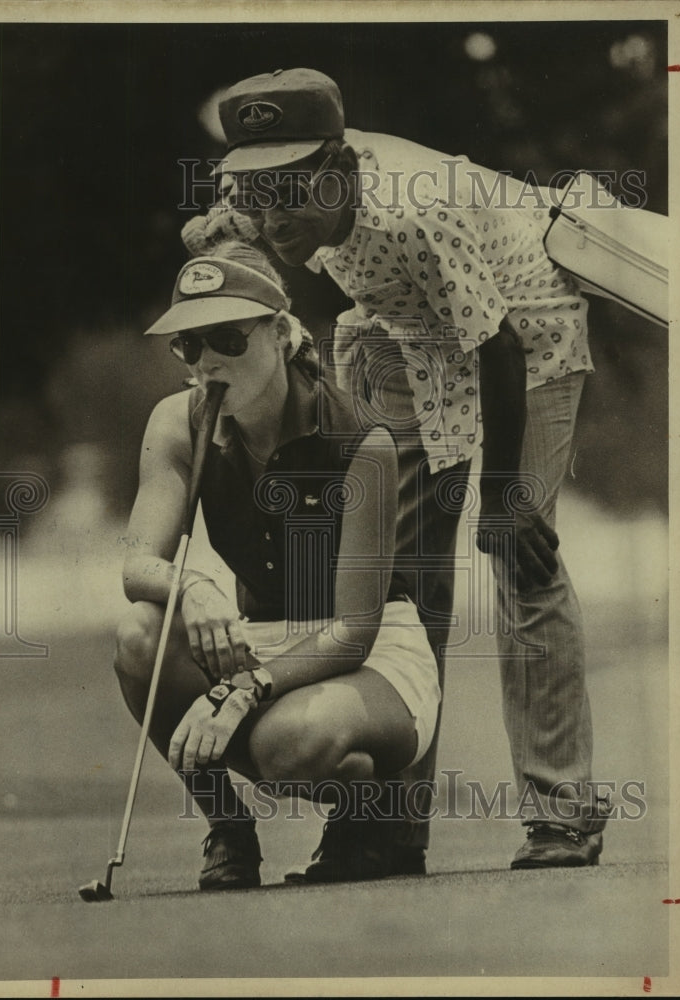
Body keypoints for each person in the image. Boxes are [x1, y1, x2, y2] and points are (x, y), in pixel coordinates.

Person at [186, 67, 610, 871]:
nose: (274, 220)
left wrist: (502, 496)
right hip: (409, 337)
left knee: (520, 557)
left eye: (294, 193)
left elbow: (497, 346)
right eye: (257, 195)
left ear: (342, 171)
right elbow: (229, 236)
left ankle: (563, 812)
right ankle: (385, 826)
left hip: (525, 334)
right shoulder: (261, 199)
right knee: (400, 574)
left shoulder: (416, 211)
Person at [113, 240, 442, 888]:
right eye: (187, 346)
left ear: (279, 330)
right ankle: (229, 833)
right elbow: (136, 567)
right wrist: (196, 588)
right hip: (261, 640)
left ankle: (370, 805)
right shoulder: (179, 423)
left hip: (370, 655)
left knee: (291, 744)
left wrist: (242, 691)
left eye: (226, 338)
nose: (206, 361)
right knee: (139, 638)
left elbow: (352, 631)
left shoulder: (360, 437)